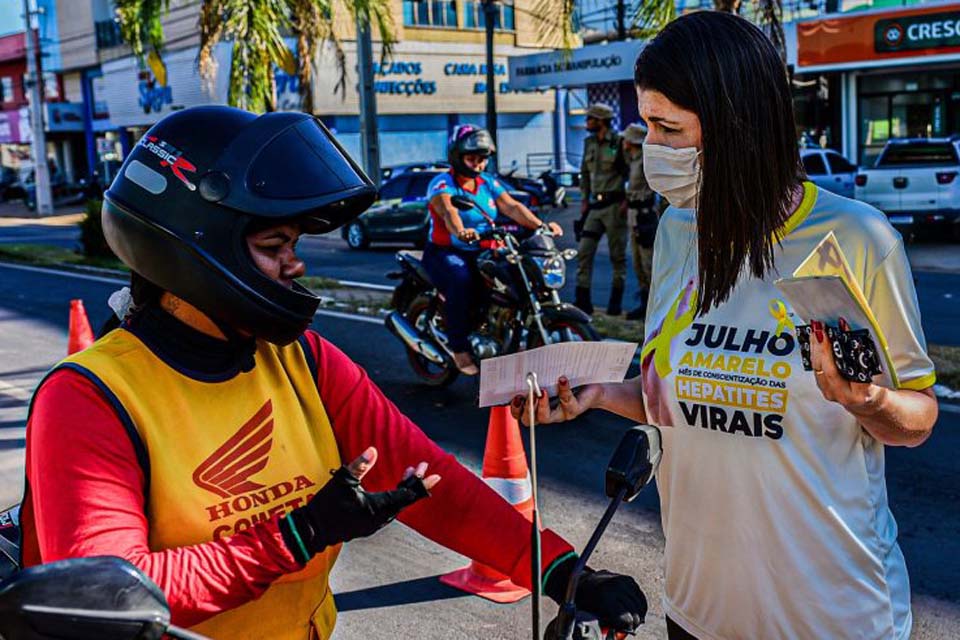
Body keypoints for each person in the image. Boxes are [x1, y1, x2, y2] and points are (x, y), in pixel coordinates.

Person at [19, 107, 645, 640]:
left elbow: (432, 481)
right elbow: (108, 595)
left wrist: (560, 569)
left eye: (293, 244)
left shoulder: (302, 360)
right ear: (189, 251)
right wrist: (298, 534)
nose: (295, 266)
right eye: (273, 248)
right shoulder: (90, 398)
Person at [513, 12, 939, 640]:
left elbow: (919, 418)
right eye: (647, 125)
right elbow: (675, 399)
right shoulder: (679, 232)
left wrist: (867, 399)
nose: (651, 148)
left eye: (668, 128)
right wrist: (599, 395)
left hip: (833, 616)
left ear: (738, 128)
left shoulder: (857, 238)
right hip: (698, 611)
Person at [424, 124, 563, 375]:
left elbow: (511, 207)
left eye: (482, 159)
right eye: (471, 158)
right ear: (457, 156)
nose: (477, 164)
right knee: (461, 280)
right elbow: (448, 211)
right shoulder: (442, 183)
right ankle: (459, 347)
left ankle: (500, 329)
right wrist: (461, 232)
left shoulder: (487, 182)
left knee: (512, 279)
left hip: (483, 249)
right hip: (446, 252)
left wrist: (542, 226)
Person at [575, 102, 628, 316]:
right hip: (594, 208)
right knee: (584, 252)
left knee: (618, 257)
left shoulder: (618, 142)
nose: (587, 122)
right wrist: (584, 200)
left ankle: (614, 305)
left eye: (590, 119)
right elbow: (584, 174)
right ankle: (583, 301)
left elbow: (630, 172)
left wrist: (626, 200)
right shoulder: (589, 143)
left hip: (615, 206)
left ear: (601, 121)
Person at [621, 122, 657, 320]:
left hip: (644, 214)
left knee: (648, 262)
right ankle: (644, 304)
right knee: (637, 262)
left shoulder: (645, 160)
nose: (623, 142)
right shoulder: (633, 159)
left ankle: (654, 307)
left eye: (627, 138)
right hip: (633, 214)